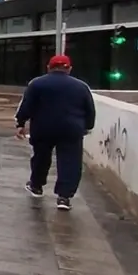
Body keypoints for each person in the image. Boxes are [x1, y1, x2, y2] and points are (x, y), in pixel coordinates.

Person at [15, 54, 96, 211]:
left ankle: (36, 186)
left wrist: (20, 123)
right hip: (71, 129)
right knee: (70, 161)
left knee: (40, 157)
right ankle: (64, 197)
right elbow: (89, 109)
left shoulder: (36, 84)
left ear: (48, 68)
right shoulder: (81, 86)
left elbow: (27, 105)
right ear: (69, 69)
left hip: (43, 128)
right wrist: (87, 126)